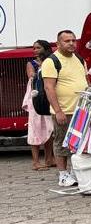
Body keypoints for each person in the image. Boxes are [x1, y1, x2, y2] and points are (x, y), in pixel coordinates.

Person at [42, 30, 89, 187]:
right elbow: (49, 88)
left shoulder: (79, 59)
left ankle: (75, 171)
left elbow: (86, 82)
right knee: (62, 142)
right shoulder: (51, 61)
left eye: (73, 41)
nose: (71, 43)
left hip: (81, 110)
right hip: (64, 111)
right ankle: (63, 175)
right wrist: (58, 110)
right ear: (58, 43)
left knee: (79, 143)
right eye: (67, 41)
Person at [23, 39, 54, 171]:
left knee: (49, 129)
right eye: (34, 48)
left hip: (47, 98)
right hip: (36, 99)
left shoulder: (50, 61)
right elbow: (32, 76)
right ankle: (36, 162)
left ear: (45, 49)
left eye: (38, 48)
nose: (35, 50)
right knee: (35, 128)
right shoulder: (32, 63)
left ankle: (49, 159)